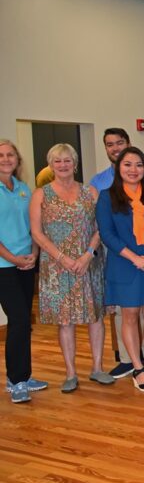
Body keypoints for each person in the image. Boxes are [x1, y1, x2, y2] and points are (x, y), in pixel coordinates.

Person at [30, 143, 113, 393]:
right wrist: (62, 258)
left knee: (95, 316)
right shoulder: (41, 195)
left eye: (67, 160)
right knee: (64, 321)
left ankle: (98, 368)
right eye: (58, 161)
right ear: (51, 165)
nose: (63, 165)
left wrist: (88, 254)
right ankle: (70, 373)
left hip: (90, 263)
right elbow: (36, 232)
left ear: (75, 164)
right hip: (57, 267)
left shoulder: (91, 193)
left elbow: (101, 227)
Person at [96, 147, 144, 393]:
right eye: (127, 164)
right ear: (119, 168)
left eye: (139, 164)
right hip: (125, 265)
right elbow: (107, 234)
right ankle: (138, 368)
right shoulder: (107, 197)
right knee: (129, 316)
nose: (133, 170)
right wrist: (135, 258)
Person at [0, 140, 46, 403]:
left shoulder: (23, 189)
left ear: (18, 160)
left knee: (23, 322)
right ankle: (16, 381)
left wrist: (34, 254)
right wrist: (13, 258)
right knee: (17, 319)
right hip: (4, 266)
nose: (6, 159)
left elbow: (34, 226)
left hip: (26, 263)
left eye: (10, 155)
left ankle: (23, 375)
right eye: (1, 155)